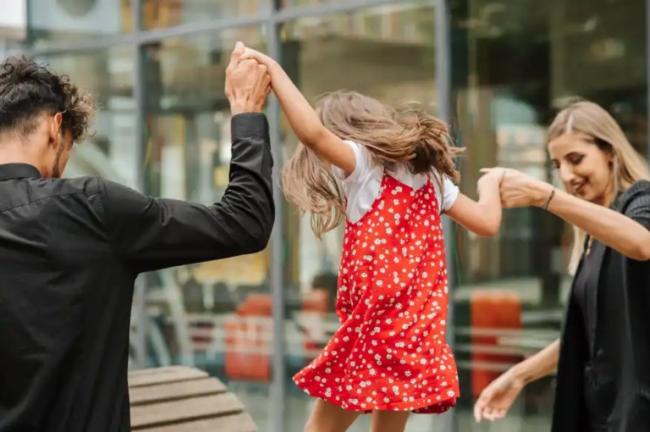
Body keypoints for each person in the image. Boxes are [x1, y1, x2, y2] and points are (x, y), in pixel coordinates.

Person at [0, 43, 274, 432]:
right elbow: (244, 222)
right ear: (54, 127)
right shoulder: (91, 208)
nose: (61, 169)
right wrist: (246, 112)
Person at [240, 46, 504, 432]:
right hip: (414, 336)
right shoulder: (433, 180)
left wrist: (274, 69)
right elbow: (487, 223)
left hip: (374, 334)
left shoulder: (365, 167)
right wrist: (492, 182)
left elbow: (312, 134)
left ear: (348, 133)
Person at [474, 101, 650, 431]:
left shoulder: (641, 201)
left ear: (609, 151)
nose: (567, 175)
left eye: (576, 159)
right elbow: (588, 334)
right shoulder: (591, 240)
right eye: (557, 165)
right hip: (603, 411)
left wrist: (545, 196)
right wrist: (518, 375)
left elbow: (643, 243)